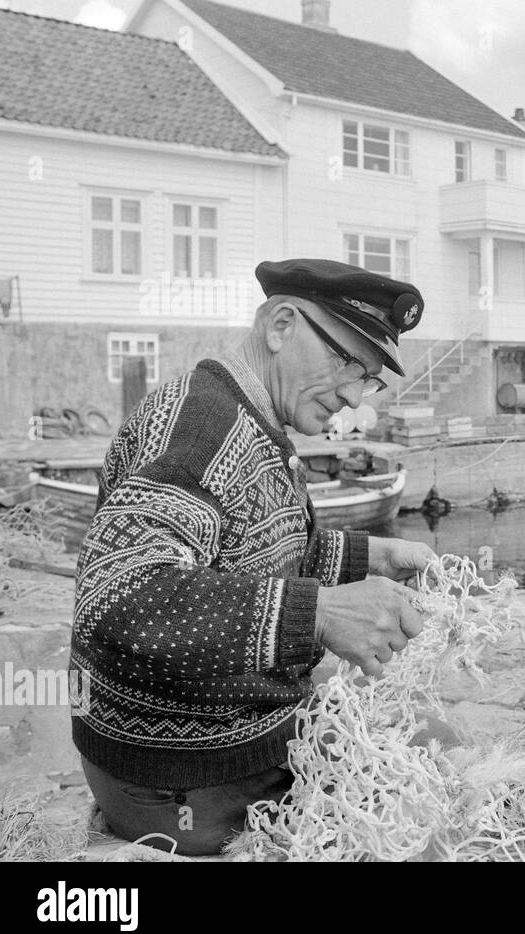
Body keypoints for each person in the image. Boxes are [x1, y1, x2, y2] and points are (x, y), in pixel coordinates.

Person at [71, 259, 438, 855]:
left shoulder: (248, 413)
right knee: (423, 764)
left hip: (202, 744)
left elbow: (253, 549)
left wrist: (372, 555)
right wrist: (318, 613)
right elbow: (116, 596)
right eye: (346, 360)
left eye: (368, 377)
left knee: (419, 741)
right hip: (181, 776)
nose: (352, 395)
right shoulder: (203, 429)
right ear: (281, 325)